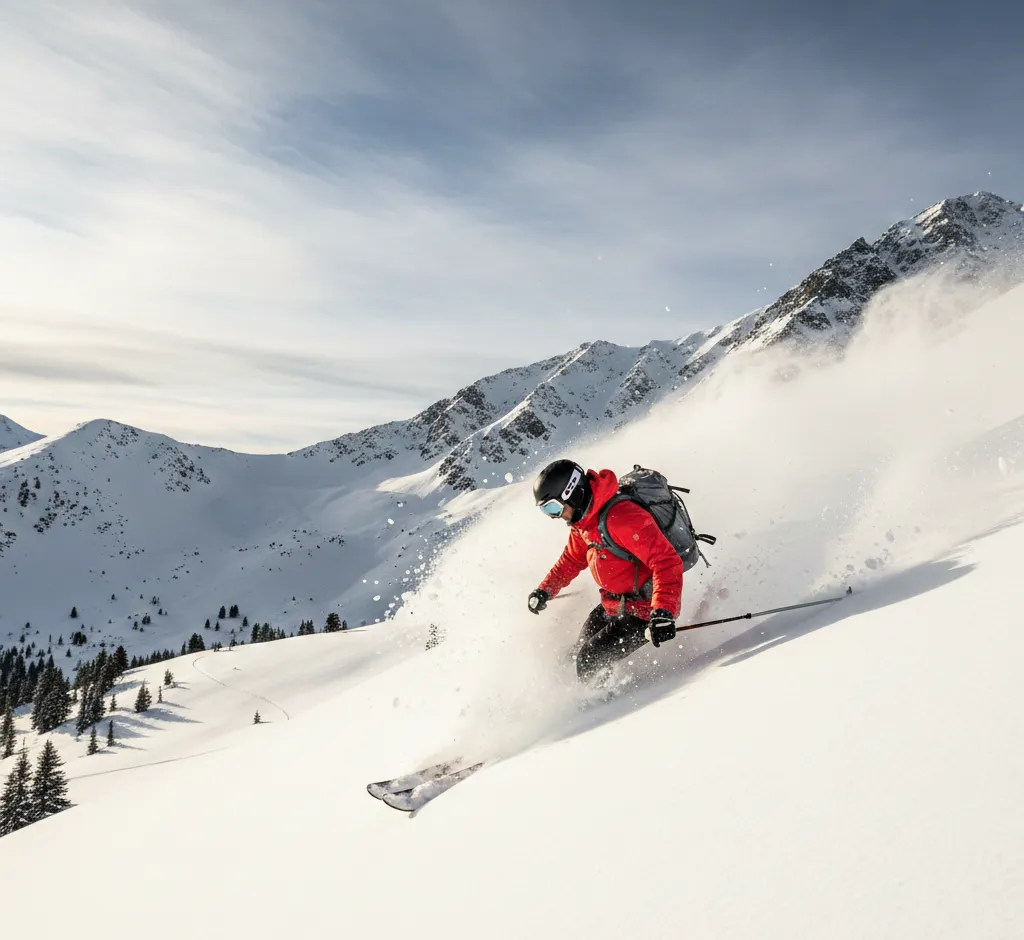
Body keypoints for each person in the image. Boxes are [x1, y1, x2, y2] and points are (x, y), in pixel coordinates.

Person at [528, 459, 683, 682]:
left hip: (645, 611)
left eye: (554, 508)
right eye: (547, 511)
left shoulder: (622, 518)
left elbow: (666, 561)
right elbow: (571, 559)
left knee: (587, 660)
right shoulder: (585, 522)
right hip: (615, 604)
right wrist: (545, 590)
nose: (555, 516)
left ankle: (602, 709)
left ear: (572, 493)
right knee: (576, 654)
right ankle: (595, 690)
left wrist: (663, 613)